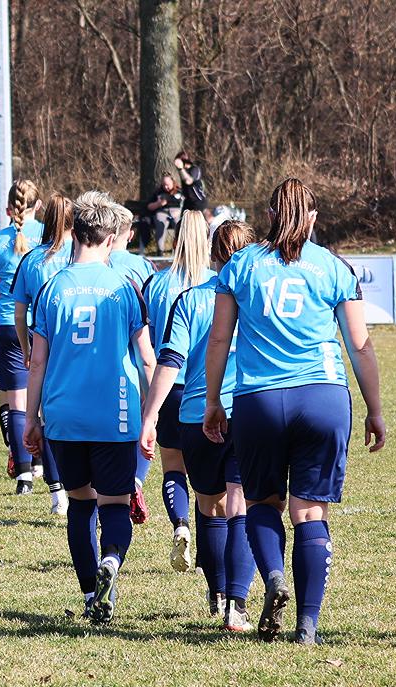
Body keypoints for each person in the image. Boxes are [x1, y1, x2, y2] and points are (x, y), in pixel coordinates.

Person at [203, 179, 385, 645]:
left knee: (263, 503)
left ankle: (273, 576)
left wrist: (213, 400)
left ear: (269, 215)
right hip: (323, 397)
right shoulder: (334, 267)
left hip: (259, 401)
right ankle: (307, 624)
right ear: (312, 218)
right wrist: (374, 408)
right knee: (310, 511)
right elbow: (360, 346)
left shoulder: (241, 265)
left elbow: (220, 338)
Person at [24, 190, 156, 624]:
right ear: (111, 237)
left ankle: (89, 597)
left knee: (80, 504)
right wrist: (151, 414)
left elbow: (37, 362)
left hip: (64, 416)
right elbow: (148, 358)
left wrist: (31, 418)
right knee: (115, 506)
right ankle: (111, 561)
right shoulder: (124, 288)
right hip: (115, 413)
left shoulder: (51, 288)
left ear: (75, 232)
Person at [140, 220, 257, 632]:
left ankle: (218, 593)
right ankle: (237, 606)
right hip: (249, 411)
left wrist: (151, 415)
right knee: (241, 504)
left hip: (195, 415)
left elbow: (170, 361)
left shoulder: (190, 300)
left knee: (209, 506)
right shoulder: (259, 298)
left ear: (215, 256)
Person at [138, 211, 214, 572]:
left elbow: (147, 341)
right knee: (208, 478)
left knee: (173, 466)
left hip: (167, 387)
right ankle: (206, 555)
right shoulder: (217, 284)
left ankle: (180, 525)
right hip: (207, 389)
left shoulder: (155, 283)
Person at [0, 180, 43, 496]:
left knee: (16, 403)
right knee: (46, 399)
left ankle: (24, 476)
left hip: (7, 324)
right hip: (43, 323)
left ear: (9, 208)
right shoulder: (51, 237)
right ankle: (48, 467)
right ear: (38, 205)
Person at [9, 193, 73, 513]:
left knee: (47, 416)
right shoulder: (83, 255)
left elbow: (19, 314)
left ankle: (57, 492)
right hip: (80, 346)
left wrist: (26, 349)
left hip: (44, 344)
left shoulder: (32, 259)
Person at [107, 206, 156, 523]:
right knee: (142, 420)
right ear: (131, 234)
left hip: (107, 355)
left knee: (111, 425)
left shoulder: (100, 262)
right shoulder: (142, 265)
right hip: (138, 351)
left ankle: (113, 484)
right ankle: (135, 481)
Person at [142, 174, 183, 254]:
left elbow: (184, 204)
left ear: (172, 182)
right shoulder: (158, 192)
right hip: (162, 212)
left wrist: (179, 212)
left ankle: (179, 248)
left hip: (176, 212)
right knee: (160, 223)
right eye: (164, 185)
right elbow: (149, 206)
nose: (166, 187)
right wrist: (159, 204)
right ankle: (160, 250)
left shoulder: (179, 191)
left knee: (178, 225)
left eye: (167, 185)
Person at [173, 151, 208, 219]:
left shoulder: (195, 169)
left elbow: (188, 181)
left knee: (196, 222)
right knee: (183, 221)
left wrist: (181, 168)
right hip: (188, 202)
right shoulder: (183, 171)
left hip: (198, 202)